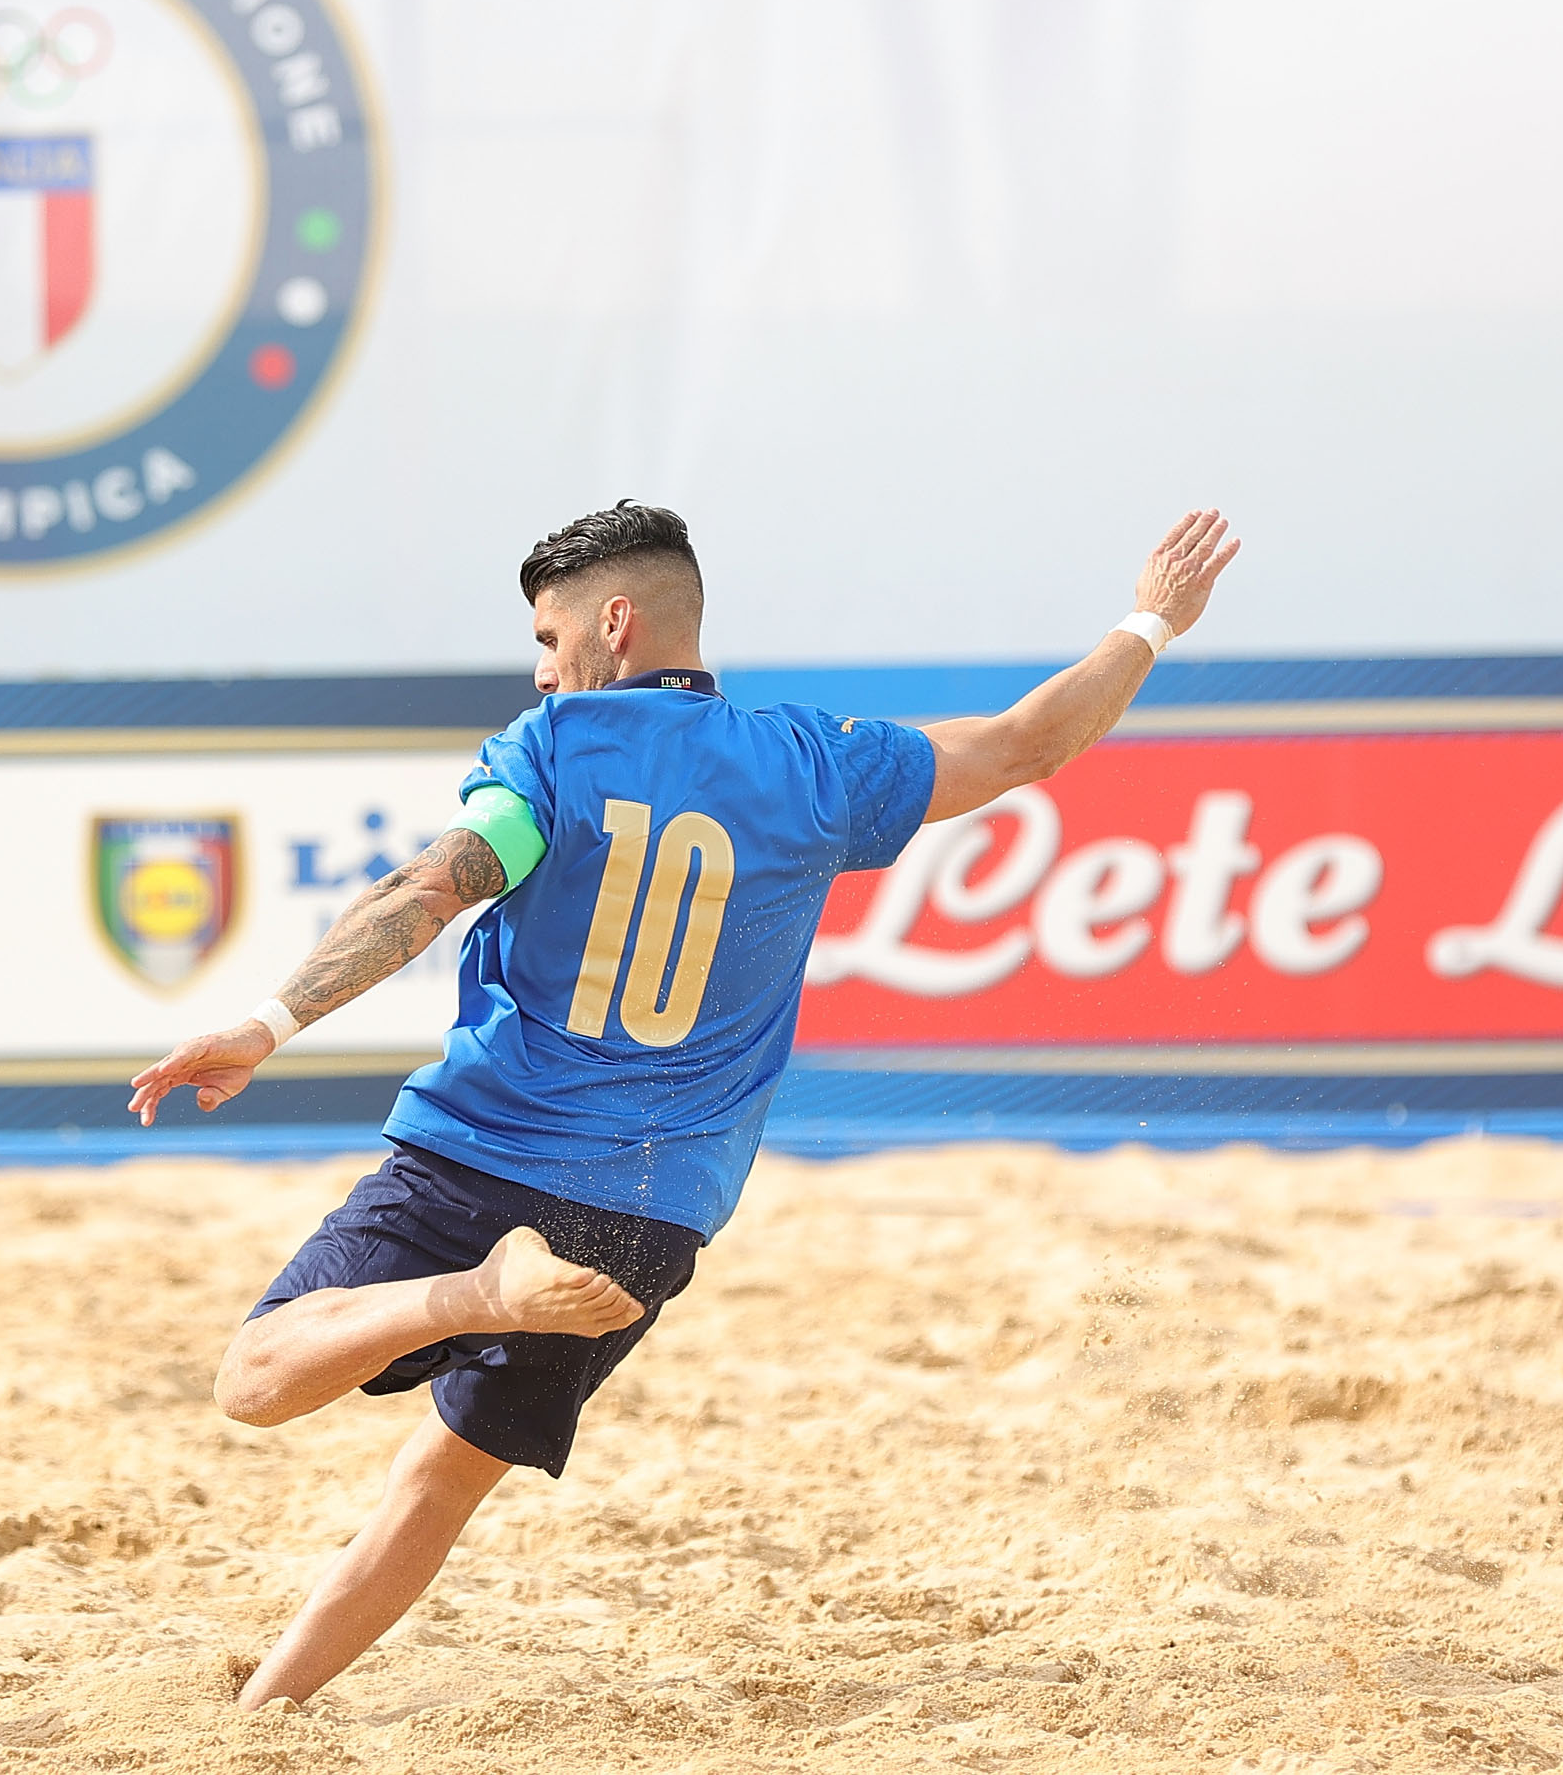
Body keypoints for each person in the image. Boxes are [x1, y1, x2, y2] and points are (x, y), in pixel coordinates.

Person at [127, 500, 1242, 1711]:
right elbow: (1029, 742)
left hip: (482, 1150)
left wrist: (271, 1020)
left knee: (254, 1377)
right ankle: (263, 1714)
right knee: (438, 1486)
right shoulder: (815, 764)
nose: (543, 667)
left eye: (551, 637)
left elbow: (434, 886)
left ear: (617, 621)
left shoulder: (552, 749)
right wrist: (1152, 619)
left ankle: (461, 1298)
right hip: (648, 1210)